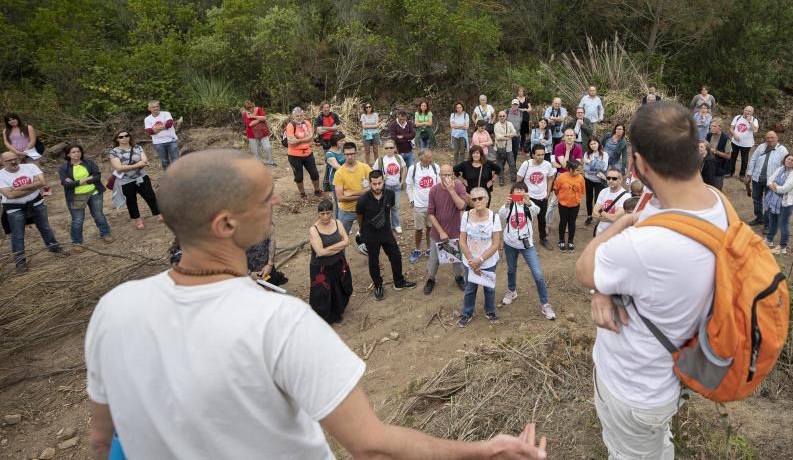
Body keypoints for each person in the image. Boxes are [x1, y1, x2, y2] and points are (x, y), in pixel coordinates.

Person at [84, 150, 547, 459]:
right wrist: (485, 450)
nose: (275, 204)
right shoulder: (277, 319)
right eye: (265, 199)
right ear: (226, 224)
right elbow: (371, 446)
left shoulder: (114, 309)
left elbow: (103, 439)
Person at [575, 100, 721, 460]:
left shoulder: (647, 244)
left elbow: (584, 268)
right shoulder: (715, 204)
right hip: (673, 364)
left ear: (638, 164)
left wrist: (619, 226)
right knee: (655, 447)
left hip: (634, 386)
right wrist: (602, 288)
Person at [1, 151, 68, 273]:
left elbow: (42, 183)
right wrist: (33, 186)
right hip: (14, 208)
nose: (13, 161)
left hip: (36, 203)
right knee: (17, 235)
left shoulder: (30, 167)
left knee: (45, 227)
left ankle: (54, 248)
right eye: (8, 160)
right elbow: (9, 195)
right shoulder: (1, 176)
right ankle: (20, 262)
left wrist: (17, 189)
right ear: (2, 162)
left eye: (15, 158)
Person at [499, 182, 556, 320]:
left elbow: (537, 211)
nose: (519, 192)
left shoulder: (528, 205)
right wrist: (506, 204)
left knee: (538, 274)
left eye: (522, 190)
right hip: (510, 244)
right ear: (512, 192)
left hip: (527, 245)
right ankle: (511, 291)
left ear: (526, 192)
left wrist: (528, 202)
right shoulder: (509, 205)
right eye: (516, 190)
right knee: (511, 269)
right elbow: (501, 215)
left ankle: (545, 304)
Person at [357, 170, 416, 301]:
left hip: (386, 232)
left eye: (379, 183)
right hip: (370, 235)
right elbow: (359, 217)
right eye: (374, 184)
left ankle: (399, 281)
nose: (377, 186)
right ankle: (378, 285)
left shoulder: (390, 194)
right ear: (370, 183)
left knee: (395, 256)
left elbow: (390, 209)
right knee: (373, 261)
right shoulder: (363, 200)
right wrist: (363, 231)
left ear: (383, 181)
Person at [458, 186, 503, 328]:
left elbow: (496, 244)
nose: (477, 201)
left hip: (488, 261)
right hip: (470, 260)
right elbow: (462, 240)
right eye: (474, 199)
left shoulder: (494, 217)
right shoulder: (466, 216)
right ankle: (467, 313)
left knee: (489, 288)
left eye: (480, 198)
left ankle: (490, 311)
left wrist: (480, 260)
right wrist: (472, 261)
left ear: (487, 199)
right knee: (470, 288)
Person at [424, 164, 468, 295]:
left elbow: (461, 206)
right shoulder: (434, 190)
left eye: (450, 175)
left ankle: (459, 277)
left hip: (455, 231)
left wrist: (451, 190)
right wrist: (441, 231)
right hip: (437, 233)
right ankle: (431, 279)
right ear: (440, 176)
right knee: (434, 259)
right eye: (444, 175)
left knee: (457, 259)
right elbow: (430, 214)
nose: (447, 177)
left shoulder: (459, 186)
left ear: (453, 175)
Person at [59, 144, 112, 252]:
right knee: (78, 220)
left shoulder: (89, 162)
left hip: (94, 192)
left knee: (98, 215)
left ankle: (105, 233)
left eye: (78, 151)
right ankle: (77, 242)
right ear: (68, 154)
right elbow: (67, 184)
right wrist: (84, 180)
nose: (77, 154)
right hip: (76, 196)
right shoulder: (64, 168)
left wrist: (77, 182)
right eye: (73, 152)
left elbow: (97, 176)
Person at [308, 199, 352, 324]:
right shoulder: (314, 230)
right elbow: (320, 253)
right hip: (321, 267)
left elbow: (347, 241)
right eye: (322, 214)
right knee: (322, 294)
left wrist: (327, 249)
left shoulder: (338, 223)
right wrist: (338, 247)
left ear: (332, 212)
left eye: (328, 213)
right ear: (318, 214)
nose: (325, 216)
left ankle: (337, 313)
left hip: (338, 263)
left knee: (339, 288)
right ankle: (324, 318)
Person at [109, 131, 160, 230]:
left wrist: (129, 166)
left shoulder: (137, 147)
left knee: (150, 196)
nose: (124, 138)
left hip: (141, 177)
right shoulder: (114, 152)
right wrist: (137, 165)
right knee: (131, 201)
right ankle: (138, 220)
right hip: (125, 180)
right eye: (121, 137)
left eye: (126, 135)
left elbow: (145, 161)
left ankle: (158, 214)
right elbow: (118, 168)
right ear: (117, 139)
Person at [516, 144, 556, 250]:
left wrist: (548, 193)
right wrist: (519, 197)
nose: (541, 157)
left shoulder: (547, 165)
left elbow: (550, 178)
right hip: (529, 197)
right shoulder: (526, 164)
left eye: (543, 155)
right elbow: (519, 181)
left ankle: (543, 238)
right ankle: (525, 240)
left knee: (542, 219)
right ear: (533, 154)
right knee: (527, 219)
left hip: (543, 197)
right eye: (538, 155)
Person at [333, 142, 371, 251]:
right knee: (341, 239)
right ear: (343, 154)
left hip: (364, 209)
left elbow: (374, 187)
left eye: (352, 154)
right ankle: (341, 264)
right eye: (347, 154)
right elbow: (340, 197)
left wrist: (351, 193)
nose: (350, 156)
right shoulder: (339, 173)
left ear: (356, 153)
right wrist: (363, 193)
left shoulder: (365, 167)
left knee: (370, 236)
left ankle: (373, 258)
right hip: (346, 211)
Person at [745, 131, 788, 226]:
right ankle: (759, 218)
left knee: (769, 202)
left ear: (777, 138)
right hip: (757, 178)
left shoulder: (783, 151)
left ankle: (768, 223)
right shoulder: (761, 147)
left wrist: (780, 182)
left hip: (771, 182)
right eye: (768, 138)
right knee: (756, 199)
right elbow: (753, 160)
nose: (770, 140)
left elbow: (785, 167)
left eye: (772, 137)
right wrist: (749, 174)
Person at [406, 149, 440, 263]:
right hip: (419, 205)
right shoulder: (413, 169)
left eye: (431, 156)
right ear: (422, 158)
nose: (431, 159)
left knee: (430, 228)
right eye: (428, 157)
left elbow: (439, 184)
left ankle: (429, 249)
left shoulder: (435, 167)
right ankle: (417, 249)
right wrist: (412, 200)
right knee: (419, 229)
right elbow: (409, 186)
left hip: (432, 205)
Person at [764, 153, 793, 253]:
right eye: (788, 159)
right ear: (784, 159)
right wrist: (774, 186)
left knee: (783, 224)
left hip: (786, 204)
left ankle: (782, 247)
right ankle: (769, 240)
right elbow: (769, 180)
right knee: (773, 221)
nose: (789, 161)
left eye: (792, 160)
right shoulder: (780, 169)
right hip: (774, 201)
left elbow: (784, 189)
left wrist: (774, 186)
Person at [285, 108, 322, 200]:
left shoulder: (307, 123)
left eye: (301, 115)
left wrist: (298, 140)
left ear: (303, 115)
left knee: (314, 173)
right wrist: (305, 139)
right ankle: (302, 193)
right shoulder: (290, 126)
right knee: (298, 176)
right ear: (293, 116)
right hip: (294, 155)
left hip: (307, 152)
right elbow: (291, 142)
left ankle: (317, 191)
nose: (299, 117)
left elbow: (311, 137)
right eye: (297, 116)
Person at [373, 140, 407, 236]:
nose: (389, 150)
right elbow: (374, 173)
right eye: (386, 148)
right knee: (385, 206)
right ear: (384, 149)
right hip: (386, 187)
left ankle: (396, 225)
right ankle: (385, 225)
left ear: (394, 148)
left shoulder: (398, 157)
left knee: (395, 206)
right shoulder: (380, 160)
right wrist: (382, 177)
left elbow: (404, 168)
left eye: (391, 147)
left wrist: (402, 181)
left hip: (396, 185)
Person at [553, 159, 585, 252]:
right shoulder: (561, 177)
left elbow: (582, 190)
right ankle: (561, 240)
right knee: (563, 222)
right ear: (571, 169)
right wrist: (560, 197)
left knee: (572, 222)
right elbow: (556, 189)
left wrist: (577, 199)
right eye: (578, 170)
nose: (580, 172)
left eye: (580, 170)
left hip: (575, 204)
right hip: (563, 204)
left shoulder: (581, 178)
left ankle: (571, 240)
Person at [144, 100, 180, 170]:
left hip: (171, 140)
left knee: (176, 160)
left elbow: (169, 124)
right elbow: (149, 131)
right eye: (153, 107)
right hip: (158, 143)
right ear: (149, 109)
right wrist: (164, 126)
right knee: (164, 161)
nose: (155, 108)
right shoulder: (147, 119)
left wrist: (155, 128)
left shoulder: (166, 114)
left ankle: (178, 175)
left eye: (157, 106)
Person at [593, 169, 630, 235]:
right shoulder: (603, 191)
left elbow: (615, 218)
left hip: (615, 235)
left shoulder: (626, 196)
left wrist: (601, 212)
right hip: (600, 232)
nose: (610, 181)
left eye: (614, 179)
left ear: (620, 180)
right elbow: (594, 212)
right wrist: (606, 216)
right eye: (608, 178)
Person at [314, 102, 343, 186]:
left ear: (329, 108)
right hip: (325, 140)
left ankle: (339, 176)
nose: (326, 109)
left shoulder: (334, 115)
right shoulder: (319, 118)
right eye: (324, 107)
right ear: (322, 108)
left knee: (338, 158)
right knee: (329, 161)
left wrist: (325, 128)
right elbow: (319, 131)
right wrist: (332, 128)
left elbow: (338, 127)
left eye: (327, 107)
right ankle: (327, 181)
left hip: (335, 139)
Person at [583, 137, 609, 226]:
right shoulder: (586, 154)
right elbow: (585, 169)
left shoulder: (604, 154)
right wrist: (596, 165)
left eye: (595, 143)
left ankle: (598, 217)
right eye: (591, 144)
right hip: (588, 179)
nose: (593, 145)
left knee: (598, 199)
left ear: (598, 143)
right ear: (589, 145)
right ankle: (589, 216)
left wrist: (590, 162)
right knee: (588, 199)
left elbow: (604, 167)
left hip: (599, 180)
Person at [241, 101, 275, 167]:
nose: (251, 110)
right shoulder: (245, 114)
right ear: (246, 109)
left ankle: (270, 162)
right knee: (255, 151)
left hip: (263, 132)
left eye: (252, 108)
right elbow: (250, 124)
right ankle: (259, 164)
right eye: (248, 109)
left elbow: (265, 118)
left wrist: (252, 117)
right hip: (252, 134)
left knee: (267, 147)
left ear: (253, 106)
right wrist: (260, 118)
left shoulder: (259, 109)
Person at [729, 106, 759, 178]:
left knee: (744, 159)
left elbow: (755, 130)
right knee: (733, 157)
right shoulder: (737, 117)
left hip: (746, 144)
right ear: (743, 110)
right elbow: (731, 128)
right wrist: (734, 135)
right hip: (735, 142)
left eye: (749, 111)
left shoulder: (754, 120)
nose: (747, 112)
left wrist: (750, 121)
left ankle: (742, 175)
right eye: (746, 110)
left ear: (752, 113)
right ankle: (730, 172)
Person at [702, 119, 731, 189]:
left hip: (719, 168)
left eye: (715, 126)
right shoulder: (709, 135)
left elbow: (728, 156)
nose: (712, 128)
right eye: (711, 126)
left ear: (720, 128)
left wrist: (716, 151)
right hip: (708, 166)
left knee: (717, 189)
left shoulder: (726, 139)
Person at [493, 110, 519, 185]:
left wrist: (504, 135)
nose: (502, 117)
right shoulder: (496, 125)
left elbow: (514, 133)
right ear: (498, 117)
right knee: (500, 165)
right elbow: (498, 137)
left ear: (506, 116)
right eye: (500, 116)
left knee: (512, 164)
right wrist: (508, 137)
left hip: (508, 148)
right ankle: (501, 179)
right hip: (499, 148)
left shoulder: (510, 124)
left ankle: (514, 178)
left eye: (503, 116)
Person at [324, 132, 347, 210]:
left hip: (345, 178)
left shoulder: (342, 150)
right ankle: (338, 220)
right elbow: (338, 167)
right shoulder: (329, 154)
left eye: (344, 140)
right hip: (335, 181)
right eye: (341, 141)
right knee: (339, 203)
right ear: (335, 142)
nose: (343, 142)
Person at [513, 88, 532, 153]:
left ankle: (522, 147)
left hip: (525, 118)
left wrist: (523, 109)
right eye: (519, 91)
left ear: (524, 92)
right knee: (517, 132)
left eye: (522, 91)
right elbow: (514, 108)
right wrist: (524, 109)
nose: (521, 92)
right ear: (517, 92)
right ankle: (516, 147)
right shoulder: (515, 99)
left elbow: (530, 109)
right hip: (517, 117)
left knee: (523, 133)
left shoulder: (526, 99)